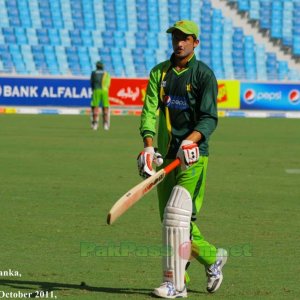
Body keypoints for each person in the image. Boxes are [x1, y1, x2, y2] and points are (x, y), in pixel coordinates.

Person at [137, 20, 227, 298]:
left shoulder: (203, 75)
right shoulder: (159, 73)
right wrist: (149, 147)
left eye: (185, 38)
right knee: (171, 221)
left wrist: (192, 140)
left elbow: (209, 118)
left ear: (195, 42)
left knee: (178, 218)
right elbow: (149, 109)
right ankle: (211, 259)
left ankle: (176, 284)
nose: (179, 42)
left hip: (193, 157)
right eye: (176, 37)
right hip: (166, 158)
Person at [90, 61, 111, 130]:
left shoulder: (94, 73)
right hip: (104, 91)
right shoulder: (106, 73)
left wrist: (93, 89)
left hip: (96, 90)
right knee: (105, 107)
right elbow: (108, 83)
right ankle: (105, 124)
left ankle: (95, 123)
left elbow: (91, 82)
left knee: (95, 107)